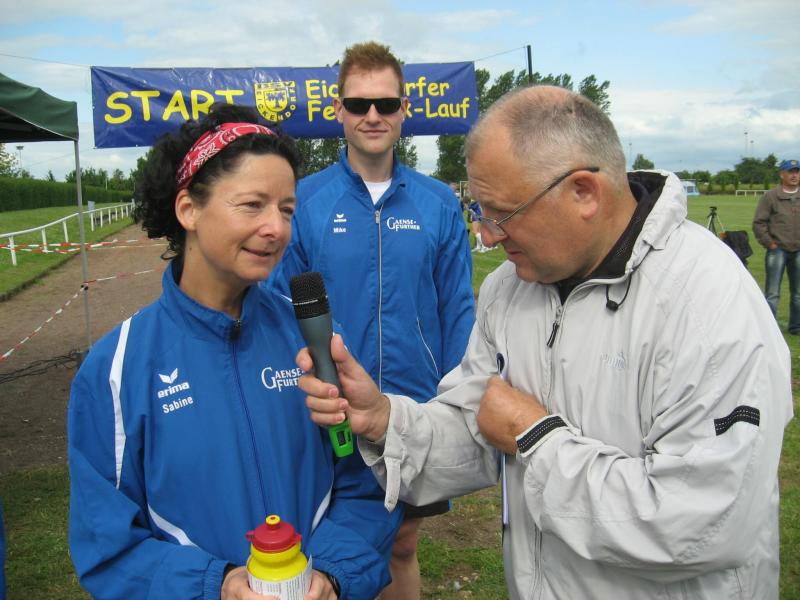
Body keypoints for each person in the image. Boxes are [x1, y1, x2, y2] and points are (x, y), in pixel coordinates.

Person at [298, 86, 793, 599]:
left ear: (584, 193)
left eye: (502, 213)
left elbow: (705, 525)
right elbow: (477, 428)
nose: (487, 235)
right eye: (479, 211)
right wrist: (385, 420)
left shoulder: (706, 301)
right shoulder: (508, 289)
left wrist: (535, 438)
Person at [67, 103, 402, 600]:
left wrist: (332, 573)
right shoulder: (115, 370)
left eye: (286, 210)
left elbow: (366, 483)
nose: (277, 229)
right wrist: (214, 585)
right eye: (252, 205)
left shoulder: (315, 341)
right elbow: (108, 544)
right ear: (188, 209)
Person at [267, 42, 475, 600]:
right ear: (338, 110)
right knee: (329, 542)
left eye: (386, 103)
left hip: (415, 406)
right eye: (359, 104)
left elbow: (458, 308)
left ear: (405, 109)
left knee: (401, 543)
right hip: (329, 410)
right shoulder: (304, 202)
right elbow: (278, 308)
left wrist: (456, 400)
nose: (373, 116)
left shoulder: (438, 202)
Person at [753, 158, 800, 333]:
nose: (794, 175)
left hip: (798, 250)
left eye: (797, 171)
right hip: (777, 250)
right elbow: (759, 223)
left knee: (798, 293)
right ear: (782, 174)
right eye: (790, 172)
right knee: (773, 293)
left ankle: (796, 326)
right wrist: (770, 244)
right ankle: (770, 329)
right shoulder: (770, 196)